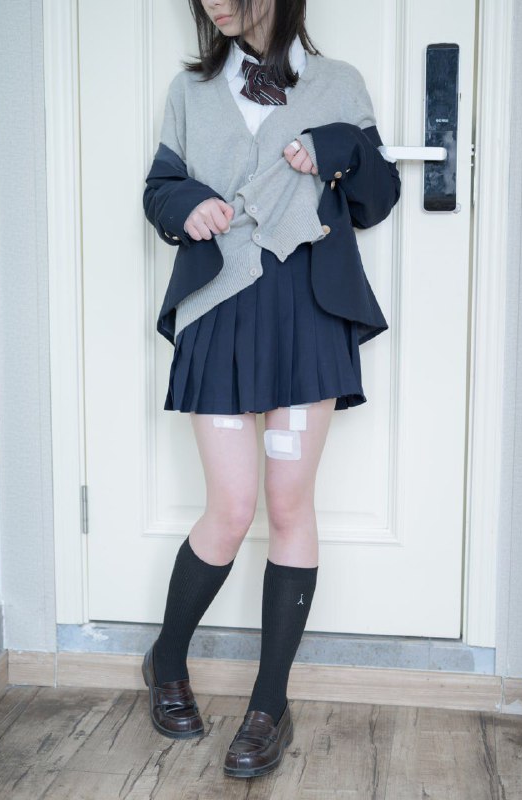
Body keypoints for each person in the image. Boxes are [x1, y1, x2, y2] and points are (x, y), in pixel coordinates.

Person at [141, 0, 401, 780]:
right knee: (230, 509)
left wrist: (339, 147)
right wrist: (186, 206)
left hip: (308, 312)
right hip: (220, 310)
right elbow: (158, 189)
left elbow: (377, 197)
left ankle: (268, 705)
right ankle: (167, 660)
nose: (214, 2)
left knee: (290, 505)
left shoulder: (338, 83)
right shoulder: (191, 92)